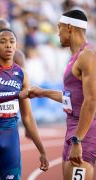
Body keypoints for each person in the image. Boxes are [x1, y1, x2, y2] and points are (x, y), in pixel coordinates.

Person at [0, 28, 49, 179]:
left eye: (12, 42)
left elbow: (27, 117)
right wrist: (17, 94)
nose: (8, 46)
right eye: (3, 42)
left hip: (10, 138)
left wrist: (42, 150)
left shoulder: (22, 74)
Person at [27, 10, 96, 180]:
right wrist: (43, 92)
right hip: (74, 129)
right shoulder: (76, 57)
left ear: (70, 27)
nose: (57, 32)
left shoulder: (87, 55)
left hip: (84, 132)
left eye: (59, 27)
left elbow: (92, 100)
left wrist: (78, 140)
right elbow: (73, 98)